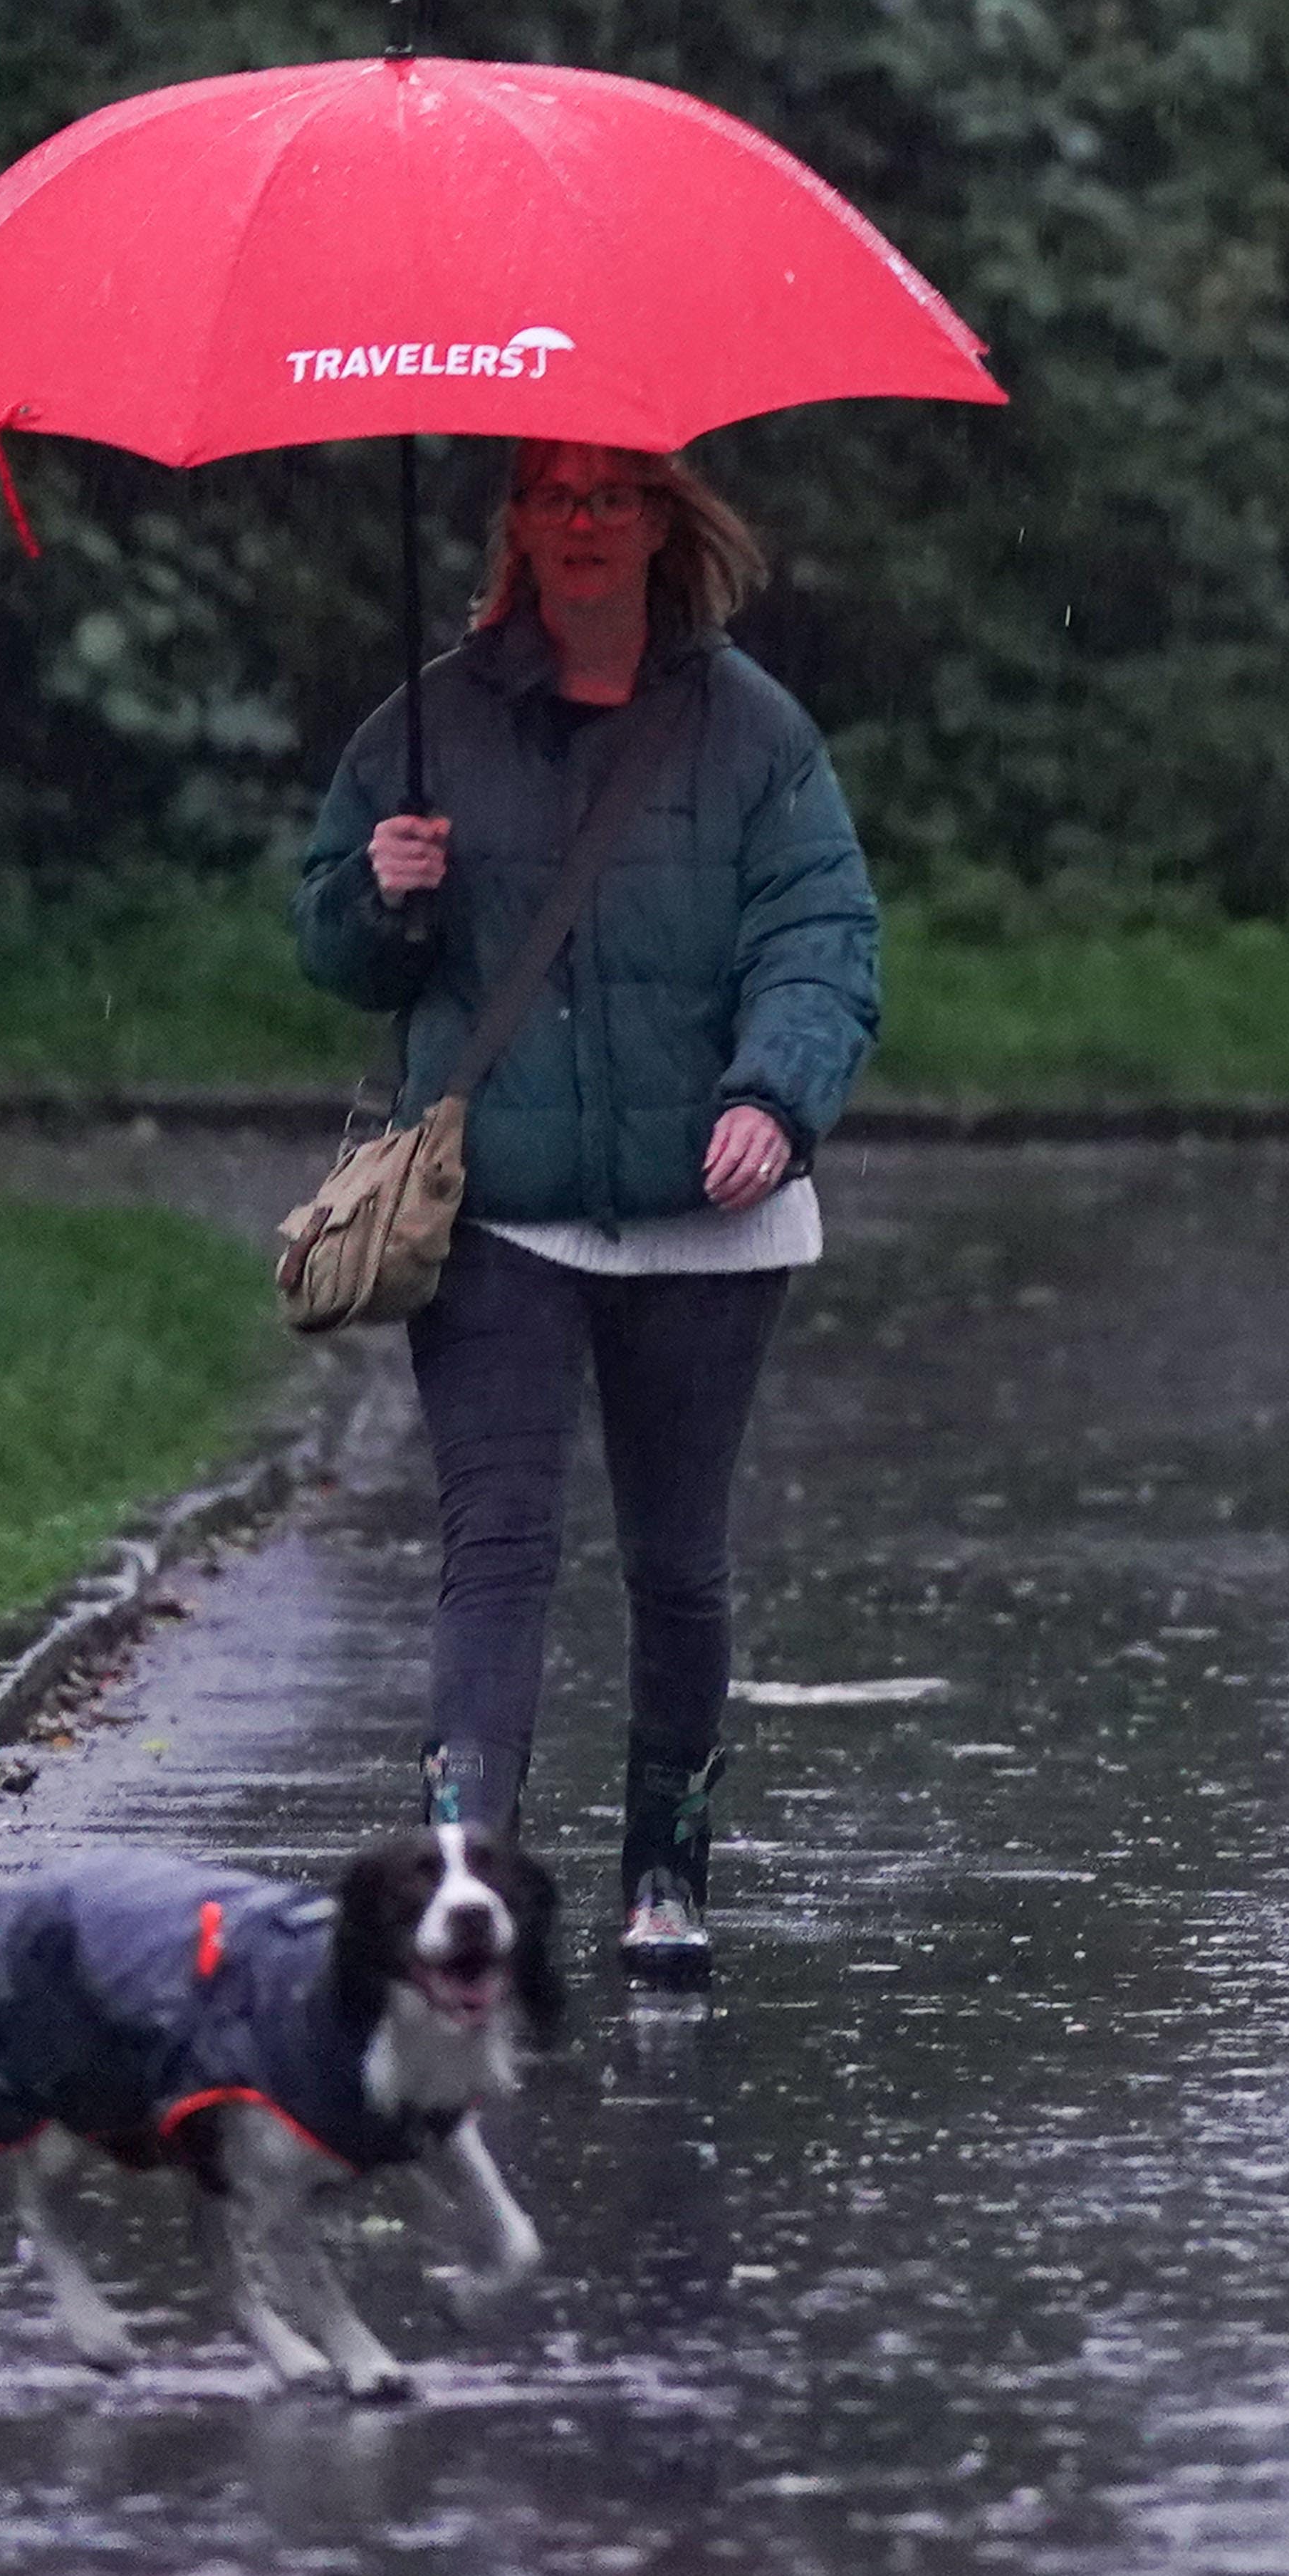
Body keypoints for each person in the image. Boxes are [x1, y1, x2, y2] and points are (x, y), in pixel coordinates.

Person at [293, 439, 879, 1984]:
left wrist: (772, 1092)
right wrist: (383, 887)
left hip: (711, 1212)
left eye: (616, 495)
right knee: (497, 1547)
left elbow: (822, 932)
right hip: (501, 1210)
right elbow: (339, 953)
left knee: (677, 1559)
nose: (585, 523)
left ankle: (665, 1868)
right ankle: (460, 1884)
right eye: (555, 496)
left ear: (664, 525)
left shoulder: (755, 734)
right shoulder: (425, 724)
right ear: (519, 529)